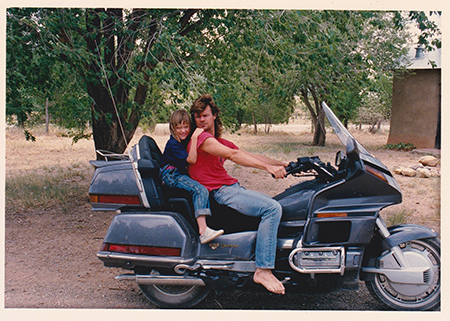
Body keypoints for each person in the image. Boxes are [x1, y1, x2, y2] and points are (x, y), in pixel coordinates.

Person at [188, 94, 288, 295]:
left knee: (280, 204)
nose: (201, 120)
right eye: (197, 116)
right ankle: (263, 270)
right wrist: (267, 168)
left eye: (205, 115)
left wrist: (285, 164)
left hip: (231, 188)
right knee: (272, 208)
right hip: (219, 192)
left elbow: (248, 155)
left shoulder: (218, 141)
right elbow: (233, 156)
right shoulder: (201, 138)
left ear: (214, 115)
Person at [160, 109, 224, 244]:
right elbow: (192, 159)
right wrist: (195, 137)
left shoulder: (181, 141)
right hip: (171, 174)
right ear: (173, 128)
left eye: (186, 127)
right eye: (179, 128)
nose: (183, 131)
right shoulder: (173, 144)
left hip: (176, 173)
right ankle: (203, 231)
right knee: (200, 190)